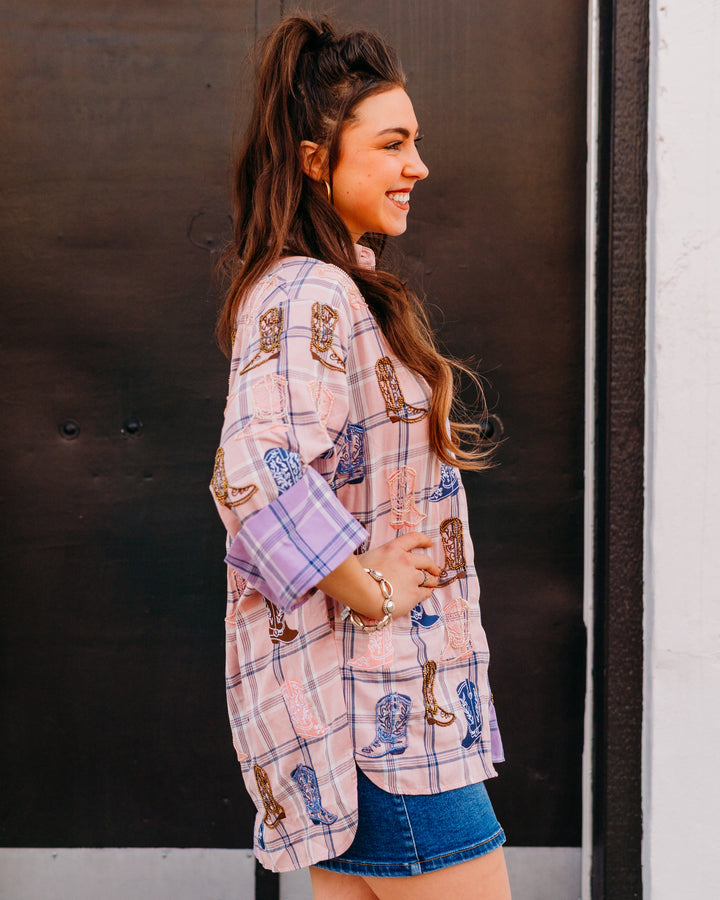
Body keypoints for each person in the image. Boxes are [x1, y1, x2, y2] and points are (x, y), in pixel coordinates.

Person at [210, 15, 511, 900]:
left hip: (368, 730)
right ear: (315, 160)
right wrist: (371, 586)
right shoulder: (311, 288)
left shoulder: (326, 286)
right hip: (387, 734)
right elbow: (250, 471)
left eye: (415, 142)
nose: (417, 165)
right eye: (393, 143)